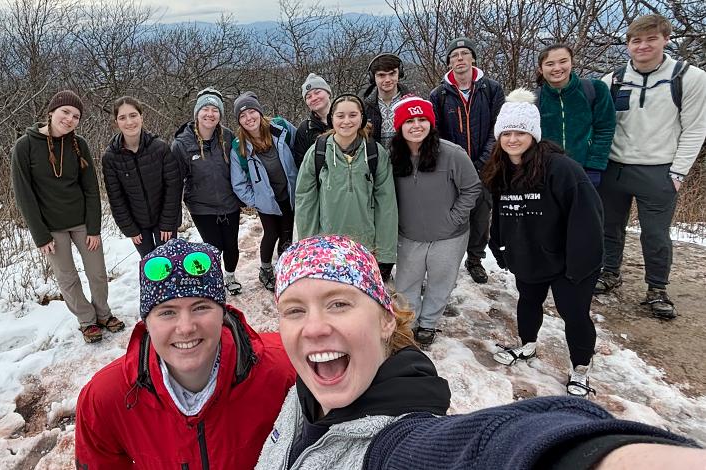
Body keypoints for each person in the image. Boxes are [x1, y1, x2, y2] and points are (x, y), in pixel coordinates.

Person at [75, 239, 296, 469]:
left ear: (223, 313)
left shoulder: (284, 372)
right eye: (167, 312)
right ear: (146, 323)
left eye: (200, 307)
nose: (186, 327)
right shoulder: (104, 399)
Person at [255, 235, 452, 470]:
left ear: (386, 321)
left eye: (339, 304)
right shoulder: (302, 393)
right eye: (295, 310)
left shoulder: (405, 442)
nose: (314, 328)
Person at [482, 88, 603, 396]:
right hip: (529, 255)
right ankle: (527, 345)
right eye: (506, 133)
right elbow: (501, 213)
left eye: (519, 132)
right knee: (528, 302)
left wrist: (581, 264)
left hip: (570, 261)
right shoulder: (502, 169)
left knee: (574, 314)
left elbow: (588, 216)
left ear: (533, 134)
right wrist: (500, 247)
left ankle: (581, 369)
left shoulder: (561, 168)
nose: (512, 139)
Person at [597, 14, 706, 319]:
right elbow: (601, 125)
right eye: (636, 40)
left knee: (655, 234)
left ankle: (657, 289)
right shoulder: (613, 80)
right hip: (614, 167)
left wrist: (678, 172)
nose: (642, 46)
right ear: (628, 44)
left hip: (659, 169)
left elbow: (695, 128)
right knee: (609, 227)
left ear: (665, 39)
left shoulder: (689, 78)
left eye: (650, 39)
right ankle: (610, 273)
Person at [11, 90, 123, 344]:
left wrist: (94, 228)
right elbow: (24, 195)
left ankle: (103, 314)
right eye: (65, 112)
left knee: (97, 272)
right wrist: (40, 235)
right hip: (51, 228)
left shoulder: (78, 144)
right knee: (67, 277)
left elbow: (91, 189)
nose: (69, 119)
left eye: (76, 116)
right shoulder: (25, 147)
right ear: (51, 113)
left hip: (82, 222)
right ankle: (87, 320)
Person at [364, 395, 703, 470]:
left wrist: (585, 453)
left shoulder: (385, 437)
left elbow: (493, 442)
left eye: (340, 303)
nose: (315, 327)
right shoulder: (308, 404)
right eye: (305, 309)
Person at [390, 96, 480, 346]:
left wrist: (455, 217)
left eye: (422, 119)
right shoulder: (393, 156)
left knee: (441, 283)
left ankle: (428, 323)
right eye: (409, 120)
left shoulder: (452, 154)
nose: (416, 125)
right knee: (406, 283)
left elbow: (472, 188)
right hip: (409, 235)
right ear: (400, 126)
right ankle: (408, 324)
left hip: (449, 237)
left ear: (431, 123)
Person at [294, 94, 398, 282]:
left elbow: (387, 204)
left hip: (366, 246)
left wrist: (384, 253)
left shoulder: (375, 153)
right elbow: (305, 200)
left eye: (352, 115)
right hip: (327, 245)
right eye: (340, 116)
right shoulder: (318, 152)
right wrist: (309, 245)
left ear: (361, 118)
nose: (346, 121)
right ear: (332, 119)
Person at [430, 37, 505, 285]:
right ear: (449, 62)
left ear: (473, 58)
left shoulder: (491, 88)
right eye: (454, 55)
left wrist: (482, 162)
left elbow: (498, 128)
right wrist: (454, 163)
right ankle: (449, 260)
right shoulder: (439, 94)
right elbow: (436, 132)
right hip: (452, 168)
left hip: (485, 167)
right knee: (452, 214)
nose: (460, 59)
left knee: (481, 215)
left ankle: (475, 259)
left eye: (464, 54)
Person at [171, 88, 244, 295]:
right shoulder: (182, 144)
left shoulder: (228, 138)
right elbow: (175, 181)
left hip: (229, 203)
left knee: (231, 246)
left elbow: (243, 166)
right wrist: (172, 217)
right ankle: (215, 279)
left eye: (215, 110)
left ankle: (230, 277)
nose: (210, 114)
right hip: (201, 206)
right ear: (197, 113)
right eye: (205, 109)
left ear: (220, 114)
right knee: (213, 248)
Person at [229, 92, 298, 291]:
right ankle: (266, 270)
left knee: (287, 234)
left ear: (259, 112)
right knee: (271, 233)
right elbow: (239, 184)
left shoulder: (280, 128)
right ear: (239, 121)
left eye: (252, 112)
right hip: (266, 200)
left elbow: (299, 147)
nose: (248, 118)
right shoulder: (239, 147)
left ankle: (284, 268)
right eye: (242, 116)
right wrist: (257, 200)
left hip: (288, 193)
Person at [102, 96, 182, 257]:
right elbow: (116, 198)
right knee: (150, 267)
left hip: (164, 220)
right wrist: (129, 228)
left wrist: (167, 223)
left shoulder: (159, 148)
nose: (129, 122)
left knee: (168, 262)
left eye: (133, 115)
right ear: (116, 122)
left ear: (141, 117)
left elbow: (173, 187)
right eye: (122, 117)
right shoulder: (111, 157)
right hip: (137, 224)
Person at [535, 43, 616, 187]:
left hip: (586, 169)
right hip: (548, 170)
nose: (557, 68)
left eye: (563, 61)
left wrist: (594, 166)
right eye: (550, 64)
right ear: (541, 69)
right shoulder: (535, 99)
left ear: (572, 62)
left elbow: (605, 128)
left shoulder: (595, 89)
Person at [361, 53, 410, 149]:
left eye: (392, 74)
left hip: (405, 161)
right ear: (373, 77)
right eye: (381, 75)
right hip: (375, 161)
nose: (387, 80)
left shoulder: (412, 104)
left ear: (399, 73)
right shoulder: (363, 107)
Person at [293, 73, 333, 168]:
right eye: (308, 97)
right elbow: (302, 165)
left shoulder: (345, 119)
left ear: (328, 93)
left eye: (317, 92)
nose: (314, 98)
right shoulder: (304, 130)